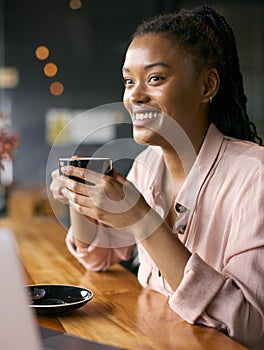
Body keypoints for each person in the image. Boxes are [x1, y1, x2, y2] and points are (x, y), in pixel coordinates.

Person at [50, 5, 264, 349]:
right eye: (128, 81)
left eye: (155, 78)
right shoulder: (148, 165)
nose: (134, 95)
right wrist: (80, 196)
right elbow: (99, 258)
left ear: (206, 85)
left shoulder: (256, 177)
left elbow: (251, 328)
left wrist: (141, 219)